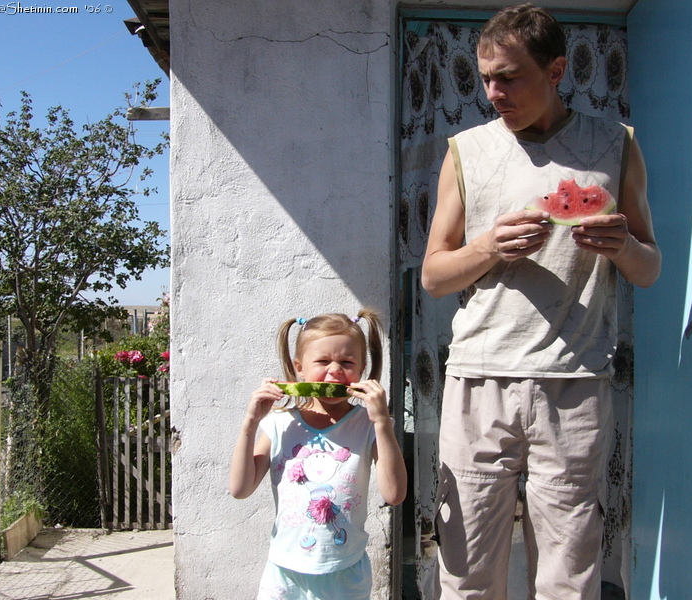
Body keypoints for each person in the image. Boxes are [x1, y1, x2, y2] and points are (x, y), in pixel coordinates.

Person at [421, 4, 661, 599]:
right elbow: (433, 274)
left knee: (569, 572)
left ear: (556, 71)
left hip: (574, 384)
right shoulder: (466, 150)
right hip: (479, 378)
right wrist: (490, 248)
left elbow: (650, 268)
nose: (493, 92)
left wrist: (622, 244)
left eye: (510, 76)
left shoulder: (615, 144)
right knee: (467, 567)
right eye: (484, 77)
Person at [229, 309, 408, 600]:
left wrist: (382, 422)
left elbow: (395, 494)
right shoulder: (278, 423)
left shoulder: (368, 425)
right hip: (285, 573)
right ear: (299, 368)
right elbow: (240, 488)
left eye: (347, 362)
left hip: (345, 571)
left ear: (361, 370)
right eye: (323, 361)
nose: (335, 370)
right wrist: (250, 423)